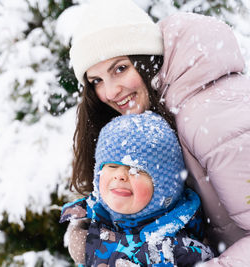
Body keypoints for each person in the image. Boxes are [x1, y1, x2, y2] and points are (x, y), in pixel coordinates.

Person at [67, 0, 250, 266]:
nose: (110, 92)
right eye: (97, 81)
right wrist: (104, 233)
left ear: (146, 59)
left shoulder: (210, 118)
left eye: (120, 68)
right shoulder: (166, 112)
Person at [60, 111, 214, 266]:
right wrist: (82, 237)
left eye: (135, 169)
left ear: (165, 186)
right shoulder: (91, 220)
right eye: (112, 166)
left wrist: (91, 248)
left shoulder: (178, 250)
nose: (120, 175)